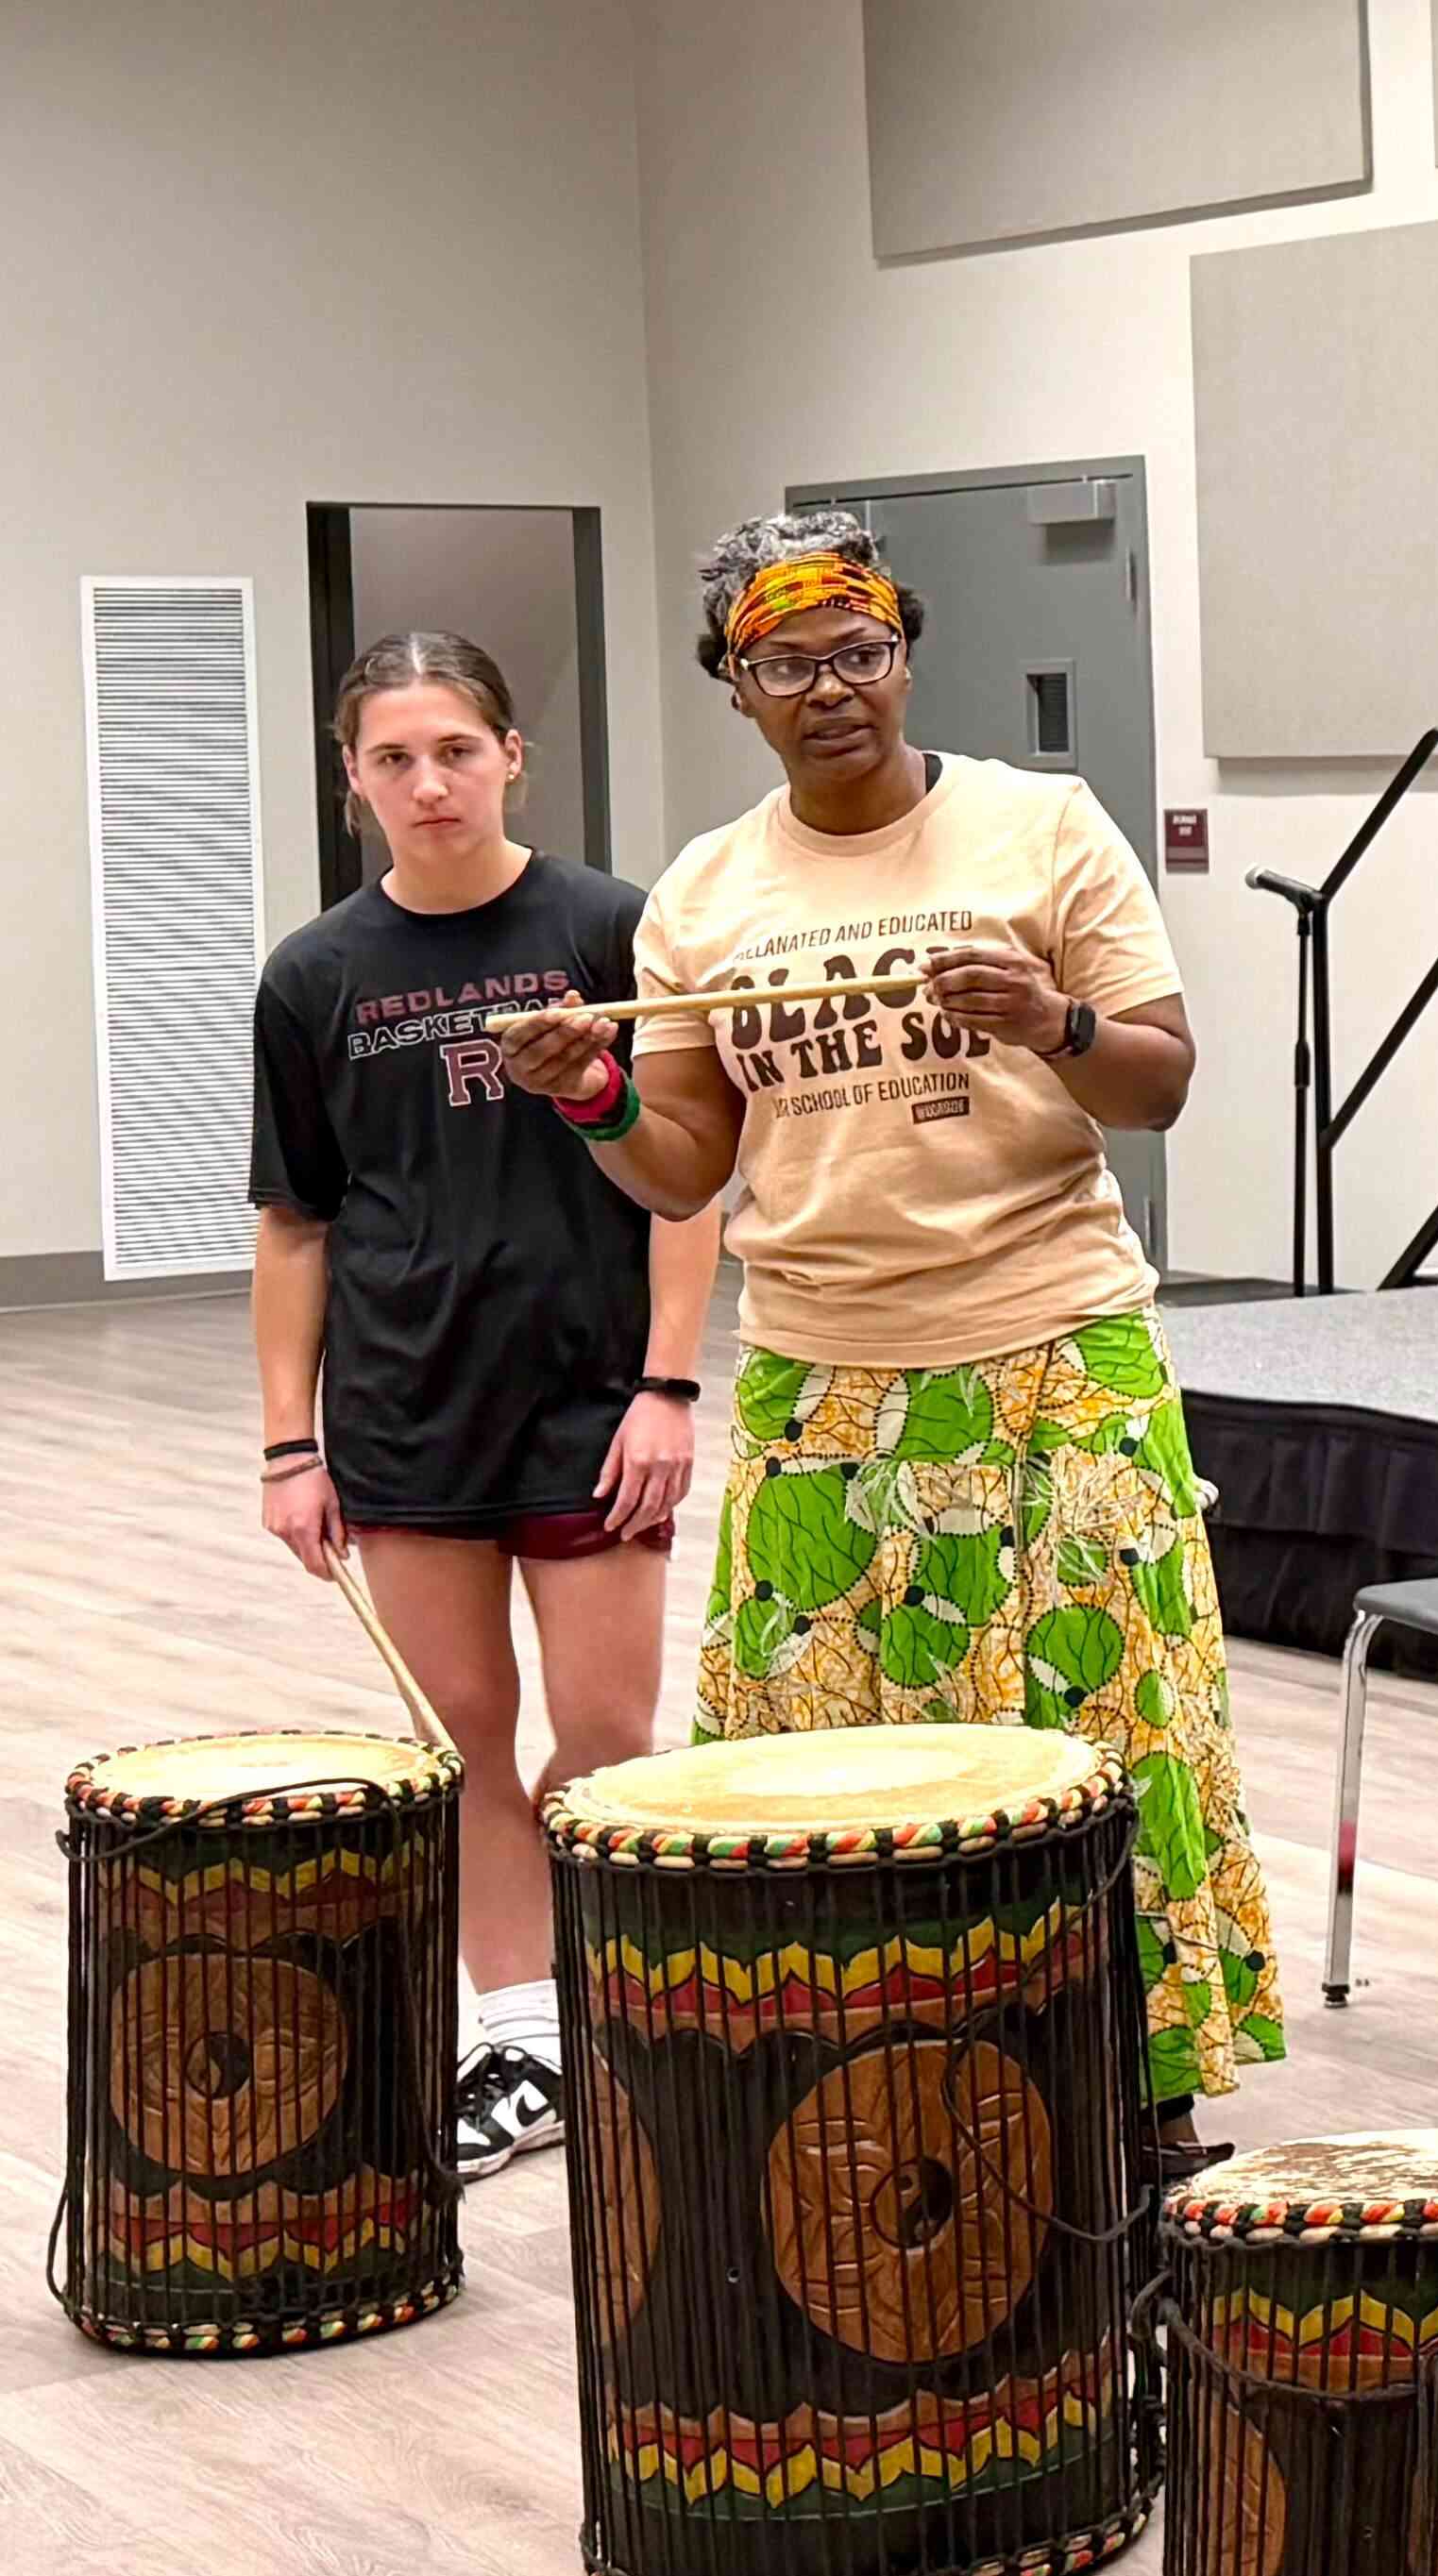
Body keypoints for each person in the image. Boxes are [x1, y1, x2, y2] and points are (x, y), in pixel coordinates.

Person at [492, 513, 1280, 2159]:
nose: (834, 687)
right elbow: (688, 1161)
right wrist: (592, 1101)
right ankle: (873, 2096)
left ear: (905, 652)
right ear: (737, 685)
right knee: (824, 1765)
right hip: (823, 1378)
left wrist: (1056, 1023)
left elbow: (1164, 1077)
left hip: (1054, 1347)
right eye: (790, 661)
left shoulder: (1042, 827)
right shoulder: (705, 895)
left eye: (861, 649)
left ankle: (1140, 2116)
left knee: (1108, 1739)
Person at [251, 630, 718, 2179]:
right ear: (354, 781)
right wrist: (287, 1443)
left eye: (455, 747)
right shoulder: (314, 975)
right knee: (461, 1736)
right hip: (405, 1411)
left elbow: (687, 1176)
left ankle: (610, 2007)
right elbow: (298, 1223)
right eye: (392, 757)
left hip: (590, 1400)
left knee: (606, 1731)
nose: (427, 780)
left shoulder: (609, 924)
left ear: (511, 754)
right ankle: (518, 2038)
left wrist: (666, 1384)